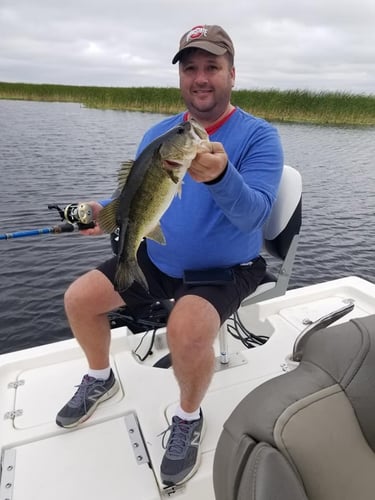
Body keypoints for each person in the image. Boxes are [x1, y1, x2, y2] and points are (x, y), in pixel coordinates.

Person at [56, 24, 284, 487]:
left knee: (186, 327)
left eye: (212, 67)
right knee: (79, 298)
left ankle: (187, 417)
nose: (201, 78)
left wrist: (221, 177)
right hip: (157, 259)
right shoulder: (160, 133)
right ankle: (101, 378)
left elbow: (254, 215)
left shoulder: (260, 137)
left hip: (225, 269)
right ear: (181, 78)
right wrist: (104, 214)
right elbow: (137, 194)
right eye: (191, 68)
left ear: (232, 74)